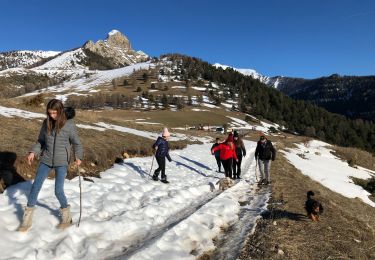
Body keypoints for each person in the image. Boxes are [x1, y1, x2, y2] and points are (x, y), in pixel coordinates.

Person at [18, 99, 83, 232]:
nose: (52, 116)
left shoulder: (69, 124)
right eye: (50, 113)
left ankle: (67, 217)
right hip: (46, 159)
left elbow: (77, 143)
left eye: (55, 113)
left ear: (60, 111)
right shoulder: (46, 122)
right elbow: (41, 141)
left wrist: (79, 156)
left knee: (58, 190)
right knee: (35, 186)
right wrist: (33, 152)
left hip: (62, 162)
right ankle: (27, 219)